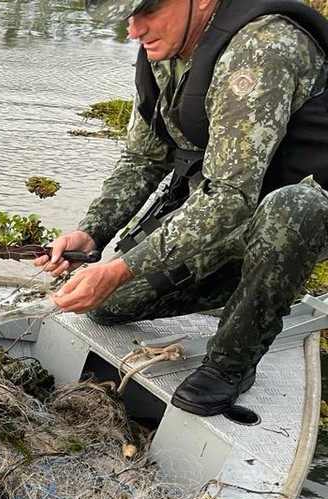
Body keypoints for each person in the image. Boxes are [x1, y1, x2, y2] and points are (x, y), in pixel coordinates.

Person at [37, 0, 328, 415]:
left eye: (148, 12)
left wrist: (121, 267)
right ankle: (247, 279)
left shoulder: (263, 46)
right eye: (128, 18)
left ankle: (231, 364)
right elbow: (143, 159)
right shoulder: (165, 48)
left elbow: (230, 194)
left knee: (291, 208)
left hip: (307, 207)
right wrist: (93, 232)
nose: (134, 30)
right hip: (230, 214)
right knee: (106, 306)